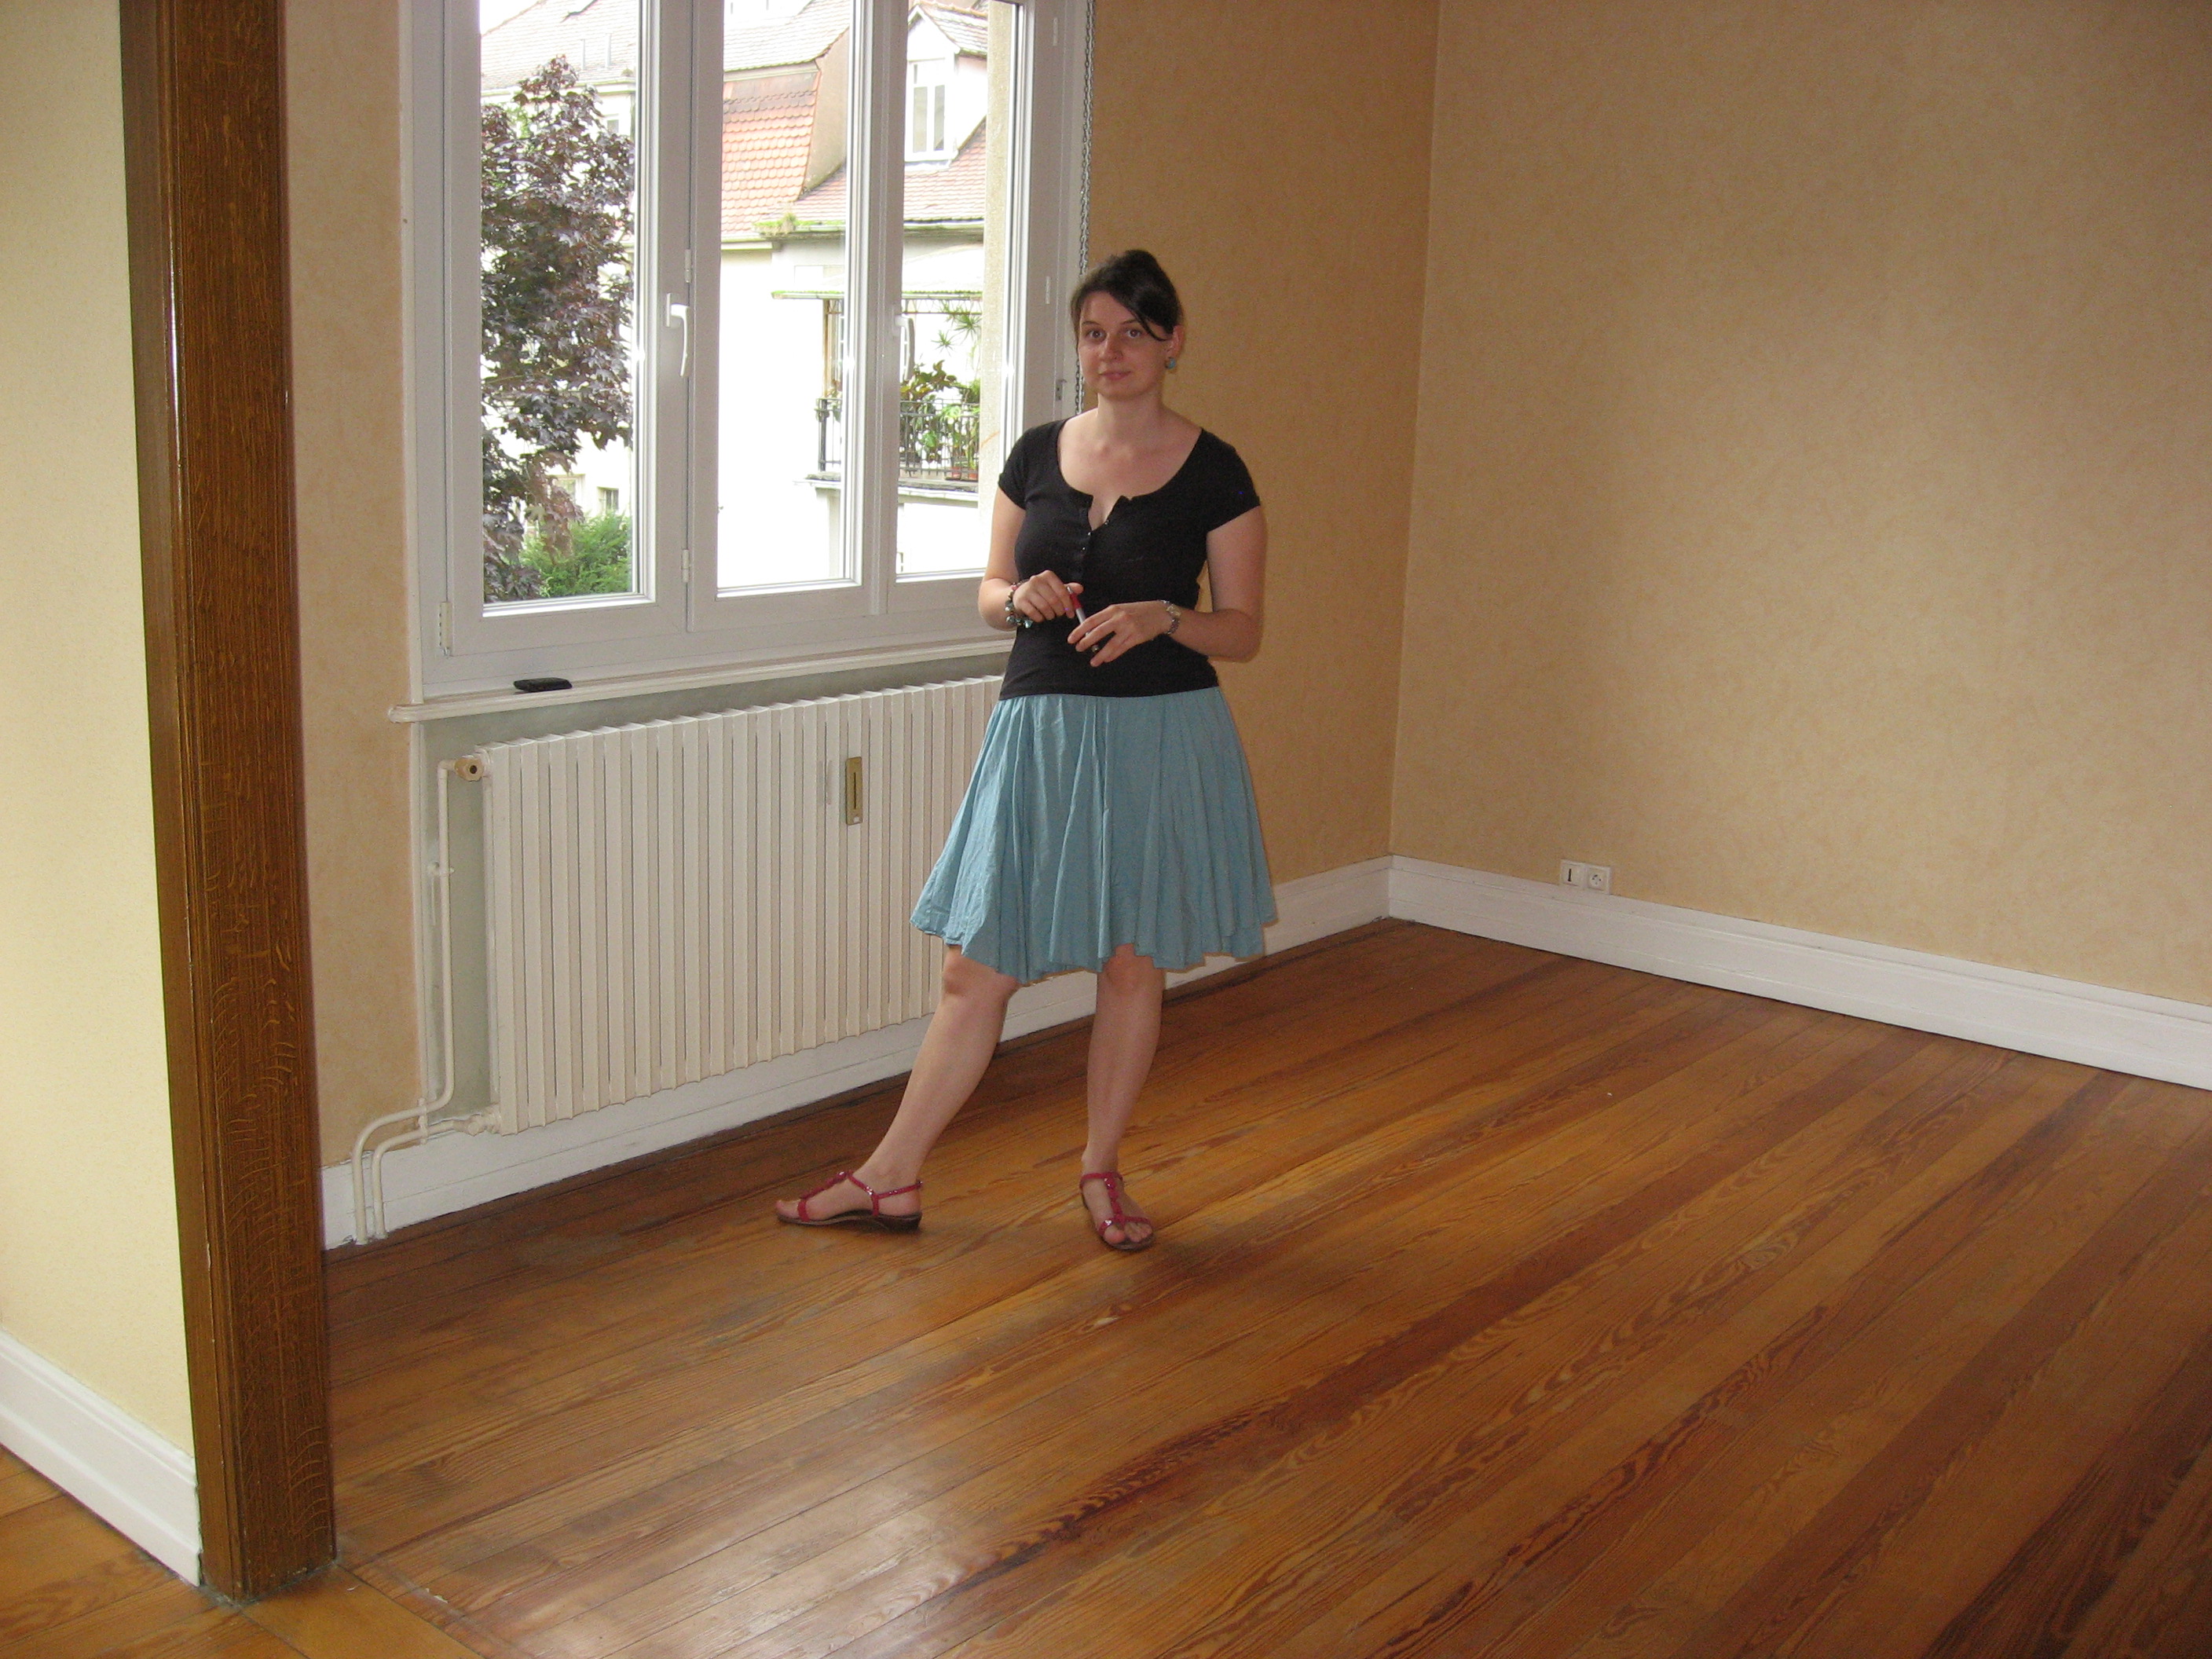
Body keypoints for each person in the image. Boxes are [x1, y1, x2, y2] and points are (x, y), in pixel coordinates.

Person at [776, 250, 1272, 1251]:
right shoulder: (1035, 454)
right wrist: (1018, 598)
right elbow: (988, 590)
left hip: (1158, 736)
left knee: (1130, 963)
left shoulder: (1214, 469)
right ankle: (889, 1177)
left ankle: (1100, 1169)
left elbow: (1243, 629)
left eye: (1132, 332)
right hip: (1039, 732)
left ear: (1171, 342)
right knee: (975, 967)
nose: (1110, 351)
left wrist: (1165, 616)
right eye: (1093, 333)